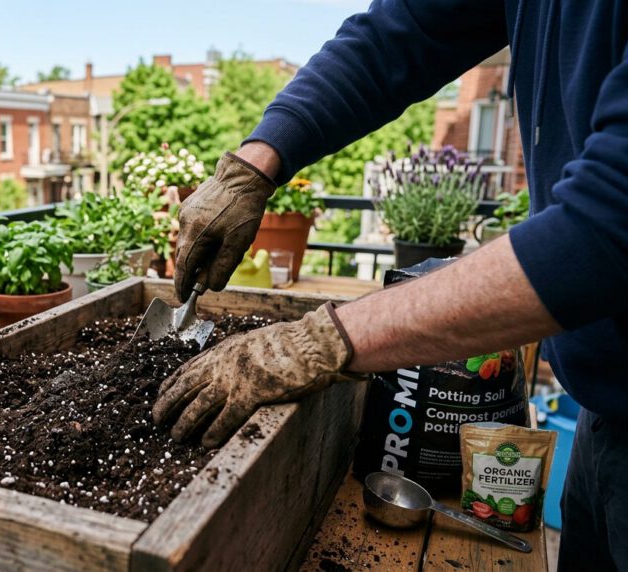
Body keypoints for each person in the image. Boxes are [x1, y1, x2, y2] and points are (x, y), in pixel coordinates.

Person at [151, 2, 628, 570]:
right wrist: (253, 165)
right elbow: (399, 35)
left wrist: (321, 340)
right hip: (604, 411)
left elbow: (606, 226)